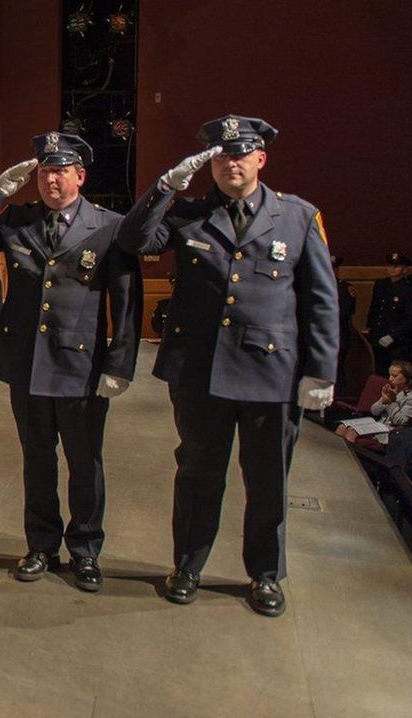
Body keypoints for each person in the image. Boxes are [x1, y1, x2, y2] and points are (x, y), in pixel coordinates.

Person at [116, 114, 339, 617]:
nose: (230, 163)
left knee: (268, 480)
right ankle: (188, 565)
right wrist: (164, 188)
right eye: (221, 155)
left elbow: (320, 300)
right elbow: (132, 242)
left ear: (261, 158)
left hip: (272, 375)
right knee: (197, 473)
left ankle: (265, 574)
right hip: (201, 373)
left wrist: (320, 370)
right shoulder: (188, 214)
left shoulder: (298, 217)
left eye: (240, 154)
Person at [0, 132, 143, 590]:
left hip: (81, 368)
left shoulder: (108, 226)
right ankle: (41, 545)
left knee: (84, 463)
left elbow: (125, 301)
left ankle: (84, 550)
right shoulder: (18, 221)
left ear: (80, 175)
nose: (50, 180)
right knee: (36, 460)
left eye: (59, 171)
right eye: (44, 171)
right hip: (29, 365)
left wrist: (119, 364)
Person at [336, 360, 412, 450]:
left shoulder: (409, 397)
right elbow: (374, 411)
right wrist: (383, 401)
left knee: (351, 431)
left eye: (394, 376)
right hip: (378, 424)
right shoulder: (390, 389)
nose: (390, 379)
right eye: (390, 375)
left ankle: (347, 460)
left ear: (407, 379)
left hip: (391, 431)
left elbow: (402, 421)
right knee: (341, 427)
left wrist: (391, 402)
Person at [365, 251, 412, 374]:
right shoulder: (381, 284)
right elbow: (375, 308)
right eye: (390, 266)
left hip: (398, 340)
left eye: (396, 266)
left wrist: (393, 336)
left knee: (397, 373)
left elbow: (409, 318)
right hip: (379, 335)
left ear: (405, 269)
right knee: (380, 371)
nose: (392, 269)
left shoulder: (408, 288)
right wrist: (370, 328)